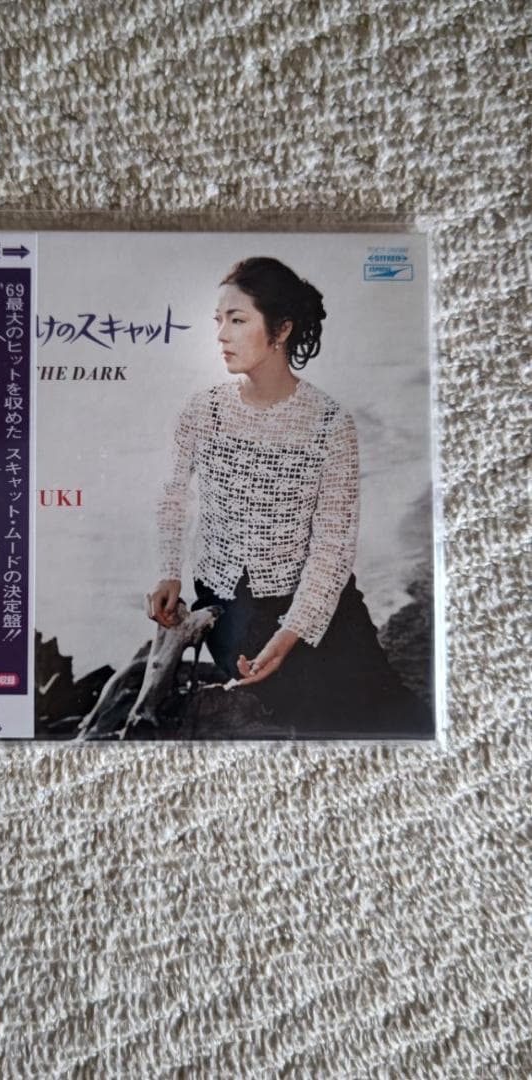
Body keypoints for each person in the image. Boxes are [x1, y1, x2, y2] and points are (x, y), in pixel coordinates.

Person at [146, 256, 433, 739]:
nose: (221, 335)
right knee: (309, 716)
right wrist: (168, 570)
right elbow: (173, 495)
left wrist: (290, 634)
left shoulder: (329, 423)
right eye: (218, 321)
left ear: (281, 329)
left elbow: (333, 545)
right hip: (232, 606)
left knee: (395, 719)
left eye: (238, 320)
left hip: (321, 600)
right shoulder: (203, 411)